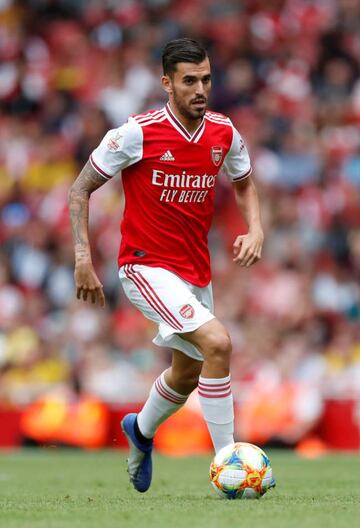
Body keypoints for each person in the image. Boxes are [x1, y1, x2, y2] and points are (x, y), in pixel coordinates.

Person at [68, 38, 264, 493]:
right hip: (144, 266)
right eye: (190, 80)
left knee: (188, 371)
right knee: (218, 342)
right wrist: (83, 257)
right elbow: (80, 189)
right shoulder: (136, 133)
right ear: (167, 84)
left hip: (196, 271)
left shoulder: (223, 132)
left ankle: (140, 430)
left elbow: (245, 182)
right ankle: (229, 467)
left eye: (207, 79)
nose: (201, 89)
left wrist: (256, 229)